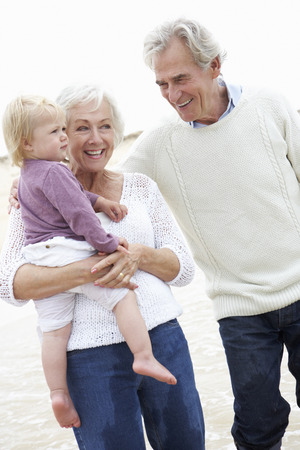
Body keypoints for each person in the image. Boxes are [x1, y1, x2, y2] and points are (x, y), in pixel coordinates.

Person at [119, 17, 300, 450]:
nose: (172, 94)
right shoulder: (160, 143)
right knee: (258, 428)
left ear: (214, 65)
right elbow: (108, 189)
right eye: (162, 84)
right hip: (238, 308)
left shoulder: (270, 105)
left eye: (180, 78)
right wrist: (39, 182)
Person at [0, 84, 205, 449]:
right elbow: (10, 285)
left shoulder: (140, 188)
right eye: (80, 127)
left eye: (105, 126)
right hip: (90, 360)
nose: (96, 139)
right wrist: (87, 271)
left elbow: (184, 269)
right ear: (58, 135)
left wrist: (138, 255)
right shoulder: (32, 197)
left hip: (163, 340)